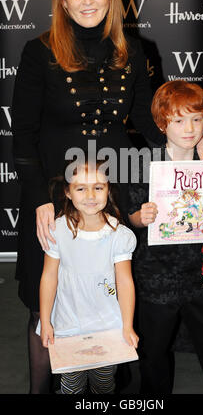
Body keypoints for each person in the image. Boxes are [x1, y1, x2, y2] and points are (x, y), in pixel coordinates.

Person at [11, 0, 203, 393]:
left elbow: (147, 122)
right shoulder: (38, 52)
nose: (87, 0)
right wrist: (41, 200)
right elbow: (23, 134)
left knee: (111, 291)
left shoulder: (134, 51)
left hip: (115, 186)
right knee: (46, 298)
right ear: (63, 2)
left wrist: (191, 138)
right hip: (56, 189)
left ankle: (106, 390)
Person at [128, 80, 203, 394]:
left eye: (196, 119)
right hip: (157, 277)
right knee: (153, 351)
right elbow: (130, 216)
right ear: (163, 124)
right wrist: (140, 217)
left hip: (202, 274)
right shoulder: (142, 164)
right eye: (178, 120)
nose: (189, 128)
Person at [37, 158, 138, 394]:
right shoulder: (57, 230)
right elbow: (49, 277)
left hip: (107, 323)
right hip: (67, 321)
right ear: (68, 192)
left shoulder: (118, 235)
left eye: (98, 187)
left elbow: (124, 281)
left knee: (104, 384)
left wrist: (127, 325)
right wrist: (46, 321)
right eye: (81, 188)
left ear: (108, 189)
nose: (90, 195)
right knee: (71, 385)